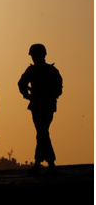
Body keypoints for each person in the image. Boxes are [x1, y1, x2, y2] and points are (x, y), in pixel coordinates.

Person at [18, 44, 62, 177]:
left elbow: (21, 84)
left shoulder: (35, 70)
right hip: (44, 105)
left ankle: (45, 164)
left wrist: (29, 95)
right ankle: (44, 164)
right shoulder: (51, 70)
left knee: (42, 133)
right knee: (42, 133)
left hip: (41, 105)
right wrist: (29, 95)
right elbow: (22, 84)